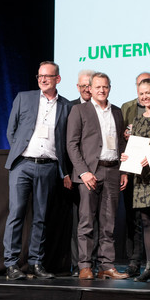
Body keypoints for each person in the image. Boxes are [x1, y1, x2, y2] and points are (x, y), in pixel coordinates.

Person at [3, 61, 71, 280]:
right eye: (40, 76)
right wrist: (20, 151)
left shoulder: (66, 106)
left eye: (48, 77)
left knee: (40, 217)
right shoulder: (24, 97)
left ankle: (35, 262)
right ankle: (11, 263)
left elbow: (66, 140)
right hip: (22, 164)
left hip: (48, 167)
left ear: (57, 79)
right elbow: (11, 130)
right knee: (17, 214)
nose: (42, 80)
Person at [67, 72, 129, 280]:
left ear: (110, 88)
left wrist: (123, 170)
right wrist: (83, 172)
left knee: (109, 222)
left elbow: (121, 143)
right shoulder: (79, 110)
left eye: (105, 87)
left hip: (112, 171)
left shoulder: (117, 112)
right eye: (98, 87)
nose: (102, 90)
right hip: (89, 173)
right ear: (90, 89)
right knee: (86, 221)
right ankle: (85, 265)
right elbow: (72, 144)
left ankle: (106, 265)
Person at [121, 78, 150, 282]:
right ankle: (149, 267)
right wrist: (126, 158)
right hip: (140, 175)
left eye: (148, 93)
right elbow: (134, 146)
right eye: (141, 94)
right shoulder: (137, 120)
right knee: (145, 221)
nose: (145, 97)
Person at [68, 69, 96, 277]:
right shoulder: (71, 107)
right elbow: (67, 144)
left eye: (90, 85)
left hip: (101, 173)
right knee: (79, 220)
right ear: (78, 87)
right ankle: (78, 263)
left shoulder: (106, 109)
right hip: (75, 174)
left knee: (98, 220)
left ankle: (95, 263)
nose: (87, 89)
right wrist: (67, 173)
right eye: (83, 86)